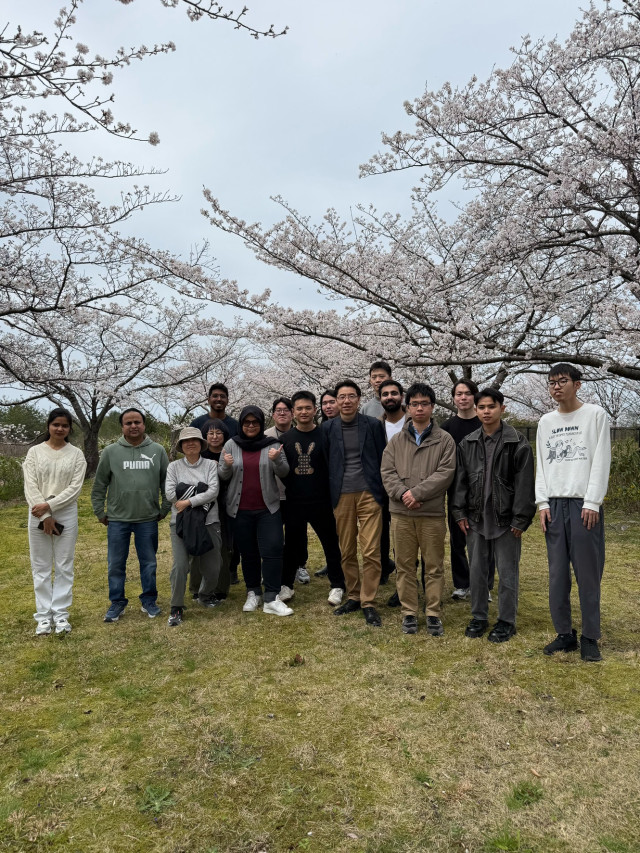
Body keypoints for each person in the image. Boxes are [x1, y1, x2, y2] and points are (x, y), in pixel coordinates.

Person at [536, 363, 611, 662]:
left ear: (577, 384)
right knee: (557, 574)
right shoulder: (546, 421)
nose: (556, 386)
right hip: (554, 504)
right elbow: (542, 464)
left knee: (588, 573)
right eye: (552, 382)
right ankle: (564, 633)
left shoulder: (595, 415)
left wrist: (593, 501)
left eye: (562, 381)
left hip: (583, 504)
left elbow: (601, 459)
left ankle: (590, 636)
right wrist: (542, 503)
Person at [451, 388, 535, 643]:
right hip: (475, 518)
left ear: (502, 408)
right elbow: (460, 482)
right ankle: (478, 617)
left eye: (491, 407)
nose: (486, 411)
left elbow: (525, 484)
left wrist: (521, 519)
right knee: (476, 571)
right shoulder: (467, 443)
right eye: (482, 407)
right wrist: (459, 512)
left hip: (506, 520)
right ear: (476, 410)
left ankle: (506, 621)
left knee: (508, 573)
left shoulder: (517, 442)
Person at [381, 382, 456, 636]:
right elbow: (387, 472)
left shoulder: (444, 440)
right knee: (404, 565)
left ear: (432, 407)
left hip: (431, 513)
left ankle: (433, 612)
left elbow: (445, 473)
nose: (419, 408)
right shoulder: (396, 440)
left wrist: (417, 493)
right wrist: (404, 494)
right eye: (414, 404)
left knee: (434, 566)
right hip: (401, 513)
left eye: (424, 403)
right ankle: (409, 612)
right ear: (408, 407)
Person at [91, 408, 170, 622]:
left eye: (137, 422)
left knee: (149, 563)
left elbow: (167, 482)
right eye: (128, 423)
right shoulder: (110, 452)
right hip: (118, 519)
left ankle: (149, 600)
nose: (133, 426)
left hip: (148, 518)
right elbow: (99, 485)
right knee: (116, 564)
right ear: (122, 427)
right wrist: (99, 511)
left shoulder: (158, 450)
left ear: (144, 425)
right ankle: (117, 602)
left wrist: (164, 508)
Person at [323, 379, 387, 626]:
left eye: (351, 396)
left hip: (369, 493)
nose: (346, 401)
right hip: (341, 495)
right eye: (342, 397)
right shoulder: (328, 428)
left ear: (359, 399)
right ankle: (353, 596)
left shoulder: (372, 425)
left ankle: (368, 601)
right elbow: (326, 460)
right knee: (347, 549)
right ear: (336, 401)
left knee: (370, 550)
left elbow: (382, 457)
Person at [218, 406, 292, 616]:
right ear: (241, 424)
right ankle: (253, 592)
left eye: (255, 422)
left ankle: (271, 596)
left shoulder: (273, 444)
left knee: (273, 550)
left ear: (261, 423)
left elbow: (284, 472)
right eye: (246, 422)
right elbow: (222, 475)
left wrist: (277, 459)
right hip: (239, 509)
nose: (251, 426)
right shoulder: (231, 445)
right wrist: (226, 466)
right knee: (248, 552)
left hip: (268, 508)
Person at [22, 408, 87, 635]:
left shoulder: (76, 454)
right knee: (40, 566)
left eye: (65, 425)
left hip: (65, 512)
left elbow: (75, 488)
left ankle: (60, 614)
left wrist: (50, 506)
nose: (60, 429)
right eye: (56, 424)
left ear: (70, 429)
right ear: (48, 426)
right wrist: (45, 515)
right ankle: (43, 616)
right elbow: (30, 485)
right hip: (37, 512)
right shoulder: (34, 452)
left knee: (64, 564)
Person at [280, 391, 346, 606]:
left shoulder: (325, 435)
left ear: (315, 410)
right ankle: (286, 584)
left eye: (308, 408)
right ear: (293, 412)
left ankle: (337, 584)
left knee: (330, 543)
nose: (304, 412)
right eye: (299, 408)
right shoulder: (285, 439)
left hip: (322, 500)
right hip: (294, 501)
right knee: (291, 544)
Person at [165, 427, 221, 626]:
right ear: (181, 446)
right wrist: (199, 490)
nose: (190, 444)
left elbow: (213, 491)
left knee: (213, 566)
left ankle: (205, 594)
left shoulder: (210, 465)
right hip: (180, 523)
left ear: (201, 443)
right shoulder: (173, 467)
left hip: (209, 521)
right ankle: (176, 607)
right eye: (186, 441)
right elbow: (170, 494)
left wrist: (187, 499)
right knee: (180, 566)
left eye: (194, 440)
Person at [440, 379, 482, 601]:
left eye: (467, 393)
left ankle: (483, 584)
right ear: (453, 398)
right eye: (459, 394)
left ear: (475, 396)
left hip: (482, 489)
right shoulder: (446, 428)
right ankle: (462, 583)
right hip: (455, 490)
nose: (463, 397)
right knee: (457, 539)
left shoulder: (484, 423)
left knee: (483, 538)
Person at [266, 397, 310, 585]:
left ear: (292, 413)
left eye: (286, 410)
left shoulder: (300, 433)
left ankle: (300, 565)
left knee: (298, 532)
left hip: (296, 493)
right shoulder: (266, 436)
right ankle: (274, 567)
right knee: (273, 534)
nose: (282, 413)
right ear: (273, 414)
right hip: (273, 492)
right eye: (278, 410)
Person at [197, 418, 237, 597]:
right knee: (205, 545)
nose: (214, 437)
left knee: (226, 546)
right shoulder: (200, 455)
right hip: (205, 505)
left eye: (218, 433)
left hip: (227, 504)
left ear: (225, 435)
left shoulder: (230, 453)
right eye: (210, 433)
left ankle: (223, 585)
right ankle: (201, 585)